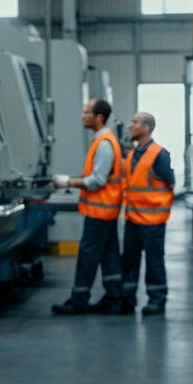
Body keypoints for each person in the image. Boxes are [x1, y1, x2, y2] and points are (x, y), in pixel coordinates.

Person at [51, 98, 124, 315]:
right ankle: (114, 298)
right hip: (106, 209)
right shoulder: (103, 140)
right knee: (109, 254)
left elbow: (97, 180)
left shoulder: (104, 144)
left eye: (87, 112)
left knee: (88, 254)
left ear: (99, 117)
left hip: (100, 211)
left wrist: (67, 182)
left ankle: (79, 299)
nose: (83, 115)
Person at [120, 111, 175, 316]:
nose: (130, 126)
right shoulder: (132, 155)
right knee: (129, 261)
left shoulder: (159, 154)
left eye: (134, 122)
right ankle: (127, 299)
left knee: (154, 261)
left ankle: (157, 300)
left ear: (146, 128)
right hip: (132, 219)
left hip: (152, 220)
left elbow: (169, 182)